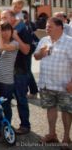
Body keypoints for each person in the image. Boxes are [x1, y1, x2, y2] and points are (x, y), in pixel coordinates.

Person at [34, 17, 72, 146]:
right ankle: (52, 134)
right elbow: (36, 57)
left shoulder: (69, 42)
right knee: (50, 109)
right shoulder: (44, 40)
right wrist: (41, 53)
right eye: (46, 26)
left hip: (64, 85)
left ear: (60, 27)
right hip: (46, 83)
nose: (47, 28)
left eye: (50, 26)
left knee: (66, 111)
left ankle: (66, 138)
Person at [1, 9, 32, 135]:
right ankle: (6, 125)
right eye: (1, 18)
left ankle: (25, 125)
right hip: (6, 71)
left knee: (21, 99)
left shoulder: (23, 30)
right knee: (5, 100)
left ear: (13, 18)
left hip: (20, 71)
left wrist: (15, 36)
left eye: (4, 17)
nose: (2, 20)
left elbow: (26, 51)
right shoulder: (3, 31)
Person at [0, 22, 19, 140]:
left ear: (11, 31)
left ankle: (7, 128)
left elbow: (2, 47)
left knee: (6, 105)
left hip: (7, 81)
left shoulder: (14, 44)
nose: (5, 32)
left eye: (7, 30)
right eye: (2, 30)